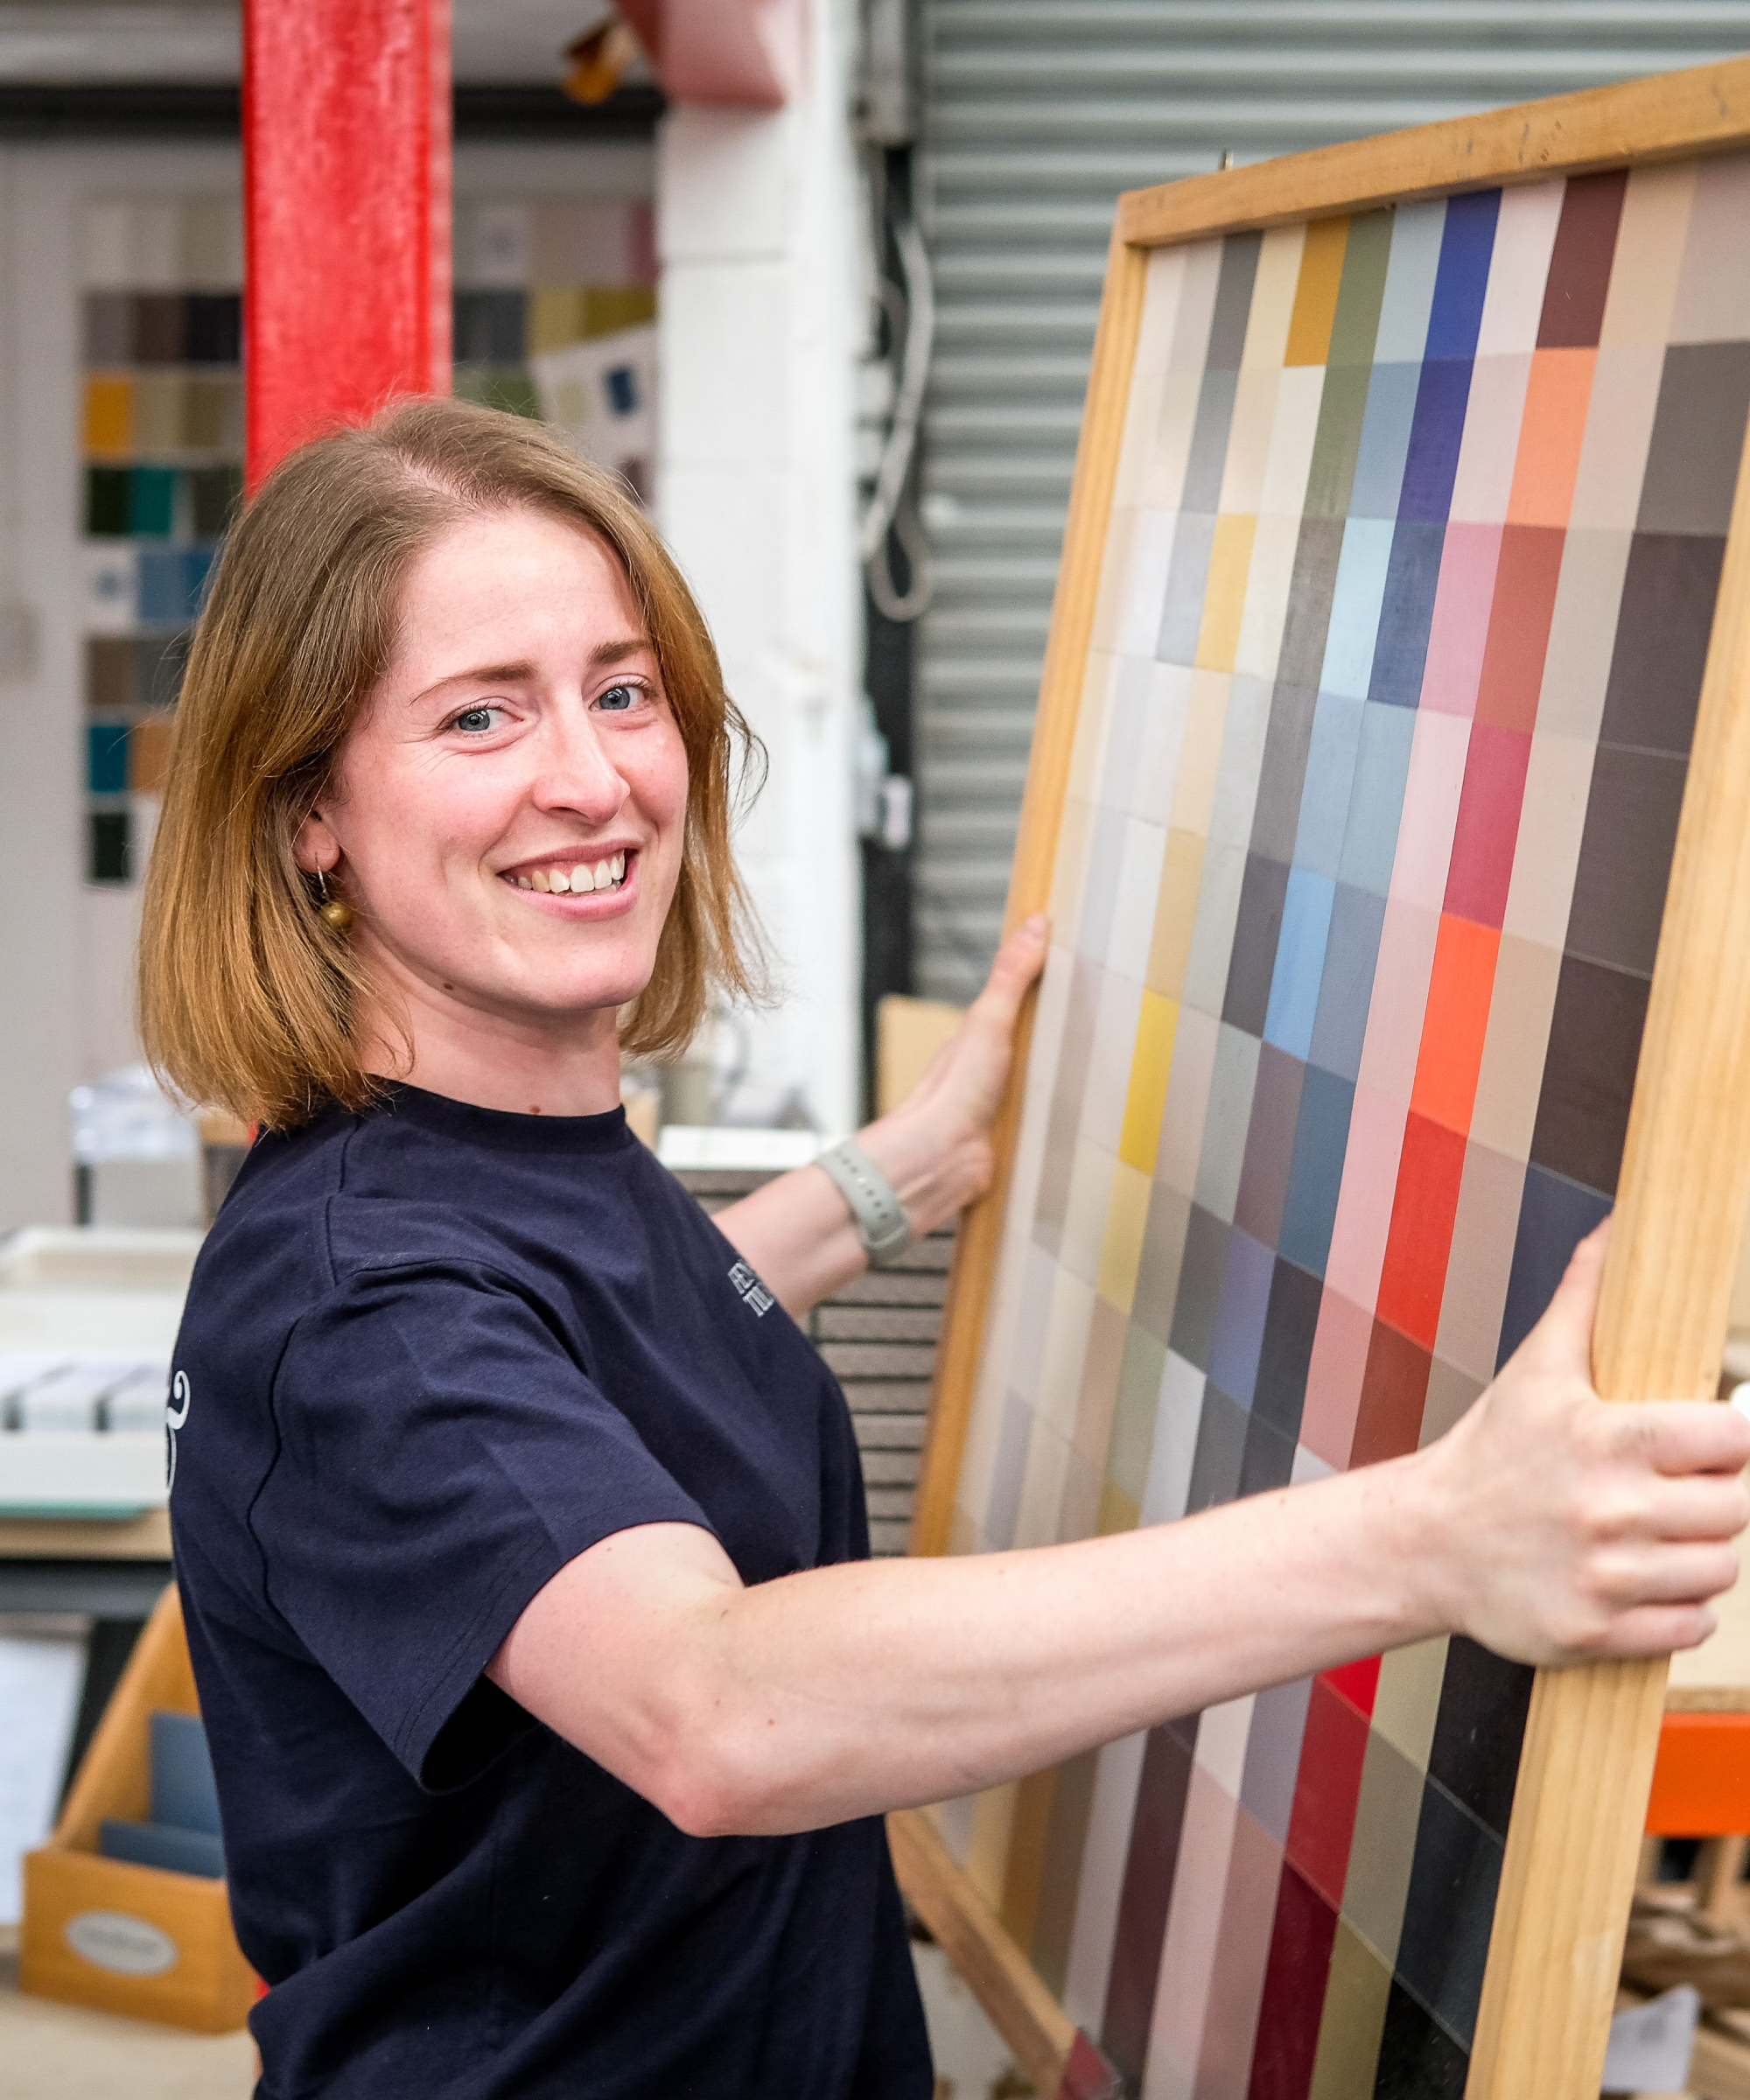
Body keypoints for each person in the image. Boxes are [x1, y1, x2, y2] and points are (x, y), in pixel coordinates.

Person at [139, 397, 1750, 2100]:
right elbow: (714, 1707)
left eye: (622, 691)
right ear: (308, 804)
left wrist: (903, 1172)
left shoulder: (505, 1171)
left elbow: (614, 1348)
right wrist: (1435, 1535)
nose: (592, 777)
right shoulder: (359, 1305)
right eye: (481, 717)